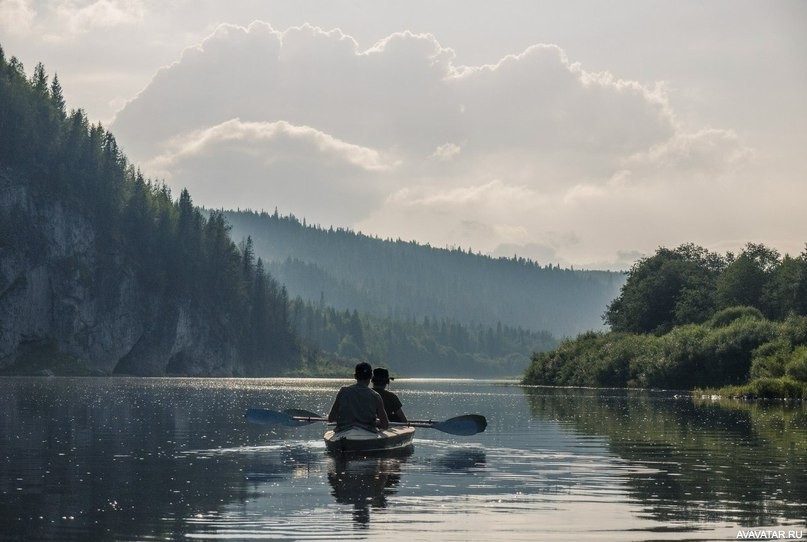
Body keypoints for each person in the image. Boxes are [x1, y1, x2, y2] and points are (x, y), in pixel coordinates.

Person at [328, 362, 389, 432]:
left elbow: (330, 419)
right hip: (368, 431)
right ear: (371, 376)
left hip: (343, 431)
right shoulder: (376, 396)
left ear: (355, 376)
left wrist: (341, 418)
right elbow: (385, 425)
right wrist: (377, 422)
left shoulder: (343, 391)